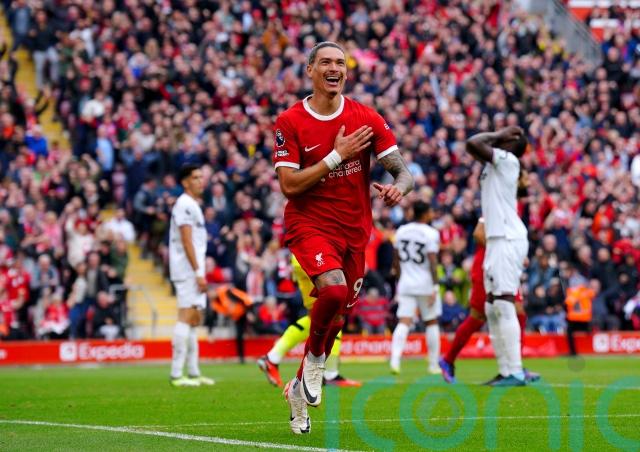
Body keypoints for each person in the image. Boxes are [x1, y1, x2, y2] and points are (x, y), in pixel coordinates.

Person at [272, 41, 413, 434]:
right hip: (310, 225)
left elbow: (402, 171)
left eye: (340, 63)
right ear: (310, 70)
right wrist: (336, 156)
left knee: (337, 316)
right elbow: (289, 185)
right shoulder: (290, 121)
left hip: (354, 230)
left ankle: (298, 388)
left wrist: (399, 188)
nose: (334, 68)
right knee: (332, 291)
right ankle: (316, 360)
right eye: (325, 62)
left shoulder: (365, 117)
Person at [463, 126, 529, 387]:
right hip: (496, 238)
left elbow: (472, 142)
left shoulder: (508, 160)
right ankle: (505, 370)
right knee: (491, 307)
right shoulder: (495, 162)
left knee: (503, 302)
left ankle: (516, 371)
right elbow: (473, 147)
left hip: (507, 237)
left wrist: (500, 134)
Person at [439, 219, 540, 384]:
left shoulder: (511, 212)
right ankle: (448, 360)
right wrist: (507, 252)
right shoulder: (496, 206)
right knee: (478, 317)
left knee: (519, 312)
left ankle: (515, 367)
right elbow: (479, 233)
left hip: (506, 266)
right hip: (486, 267)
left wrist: (517, 253)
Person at [257, 256, 362, 388]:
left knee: (320, 316)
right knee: (333, 315)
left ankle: (273, 357)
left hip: (308, 257)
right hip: (316, 257)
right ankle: (330, 374)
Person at [168, 164, 215, 387]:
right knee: (186, 316)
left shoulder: (193, 205)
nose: (200, 181)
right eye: (195, 177)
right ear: (185, 182)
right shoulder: (184, 205)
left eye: (201, 177)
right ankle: (176, 374)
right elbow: (187, 241)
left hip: (193, 269)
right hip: (187, 270)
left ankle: (194, 372)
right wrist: (197, 272)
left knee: (194, 319)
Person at [389, 201, 441, 375]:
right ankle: (433, 365)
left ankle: (395, 360)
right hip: (425, 284)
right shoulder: (431, 233)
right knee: (431, 321)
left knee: (404, 321)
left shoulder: (401, 231)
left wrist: (399, 282)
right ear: (425, 214)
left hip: (406, 283)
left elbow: (396, 260)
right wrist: (435, 287)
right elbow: (432, 262)